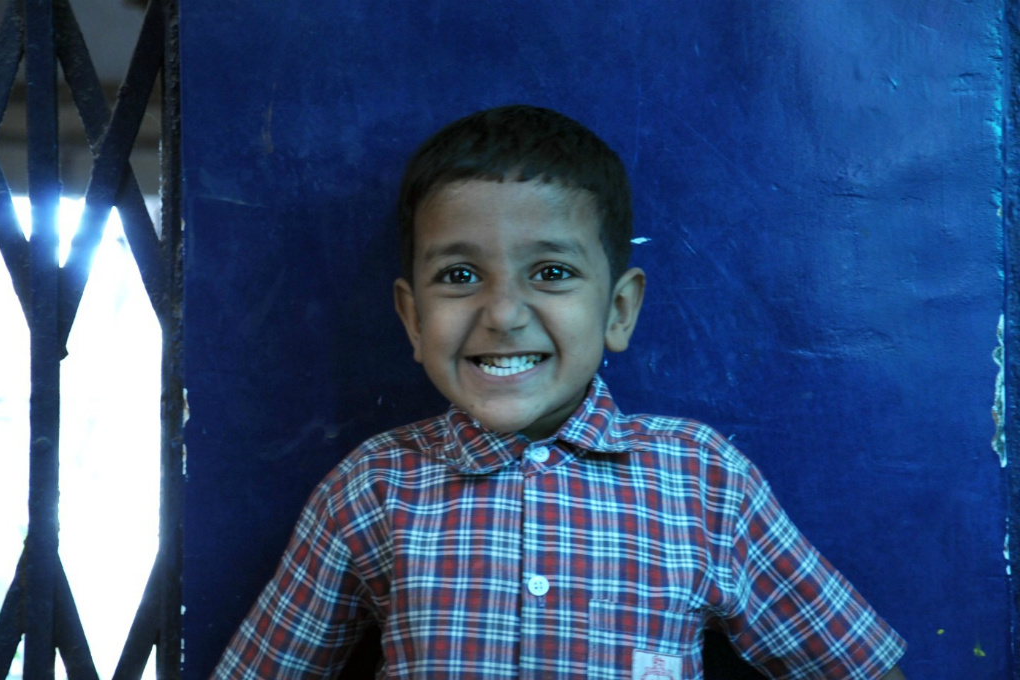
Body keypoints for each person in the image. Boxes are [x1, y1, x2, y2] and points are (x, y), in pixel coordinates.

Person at [211, 105, 907, 679]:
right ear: (413, 320)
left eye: (550, 272)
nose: (503, 313)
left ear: (618, 311)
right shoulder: (372, 488)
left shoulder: (705, 481)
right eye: (459, 276)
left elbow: (858, 667)